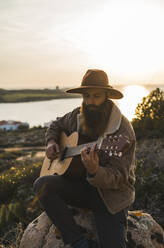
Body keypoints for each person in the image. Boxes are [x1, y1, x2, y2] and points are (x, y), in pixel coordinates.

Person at [33, 69, 136, 248]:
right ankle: (77, 241)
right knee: (42, 185)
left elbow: (119, 177)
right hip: (79, 185)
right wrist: (51, 142)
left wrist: (96, 171)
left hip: (109, 195)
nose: (90, 102)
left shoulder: (121, 131)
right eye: (86, 96)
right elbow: (56, 125)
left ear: (106, 96)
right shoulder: (78, 116)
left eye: (96, 96)